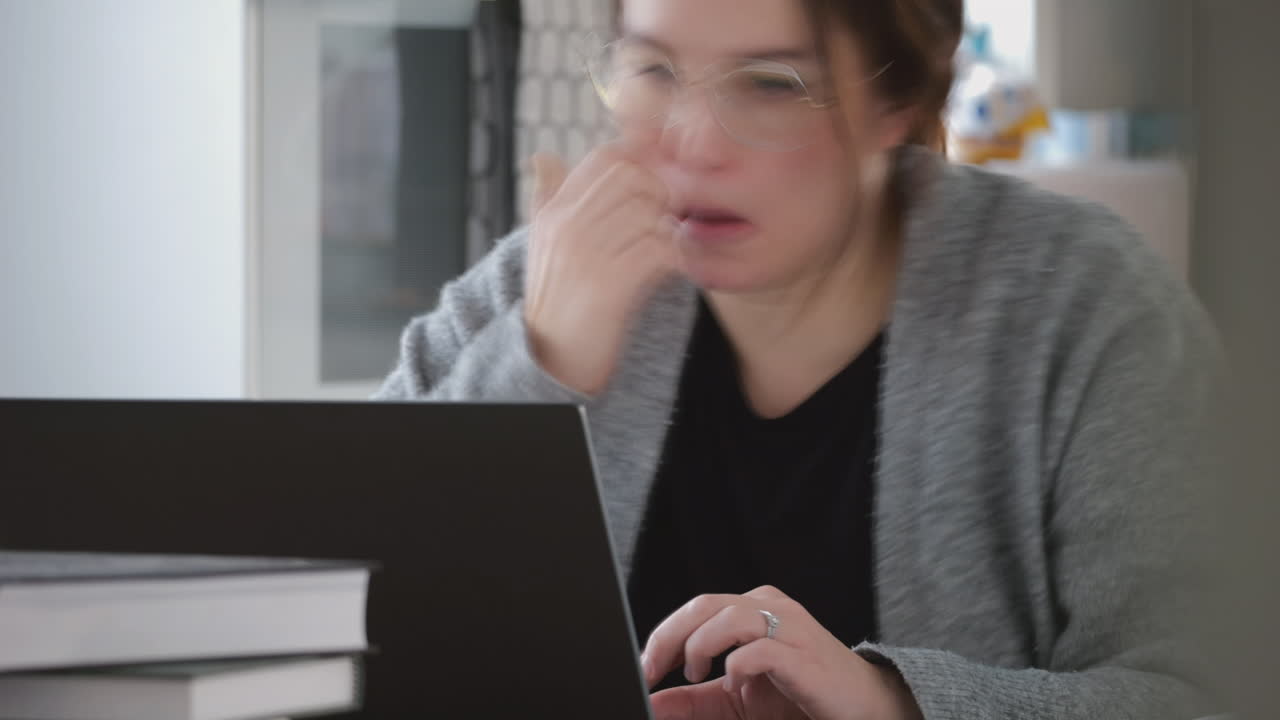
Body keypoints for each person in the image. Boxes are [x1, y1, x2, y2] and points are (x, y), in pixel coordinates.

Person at [376, 0, 1223, 717]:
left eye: (771, 85)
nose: (692, 142)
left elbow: (1211, 687)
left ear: (896, 99)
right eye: (654, 71)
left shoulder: (1085, 306)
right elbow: (339, 602)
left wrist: (891, 700)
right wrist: (540, 360)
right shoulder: (553, 270)